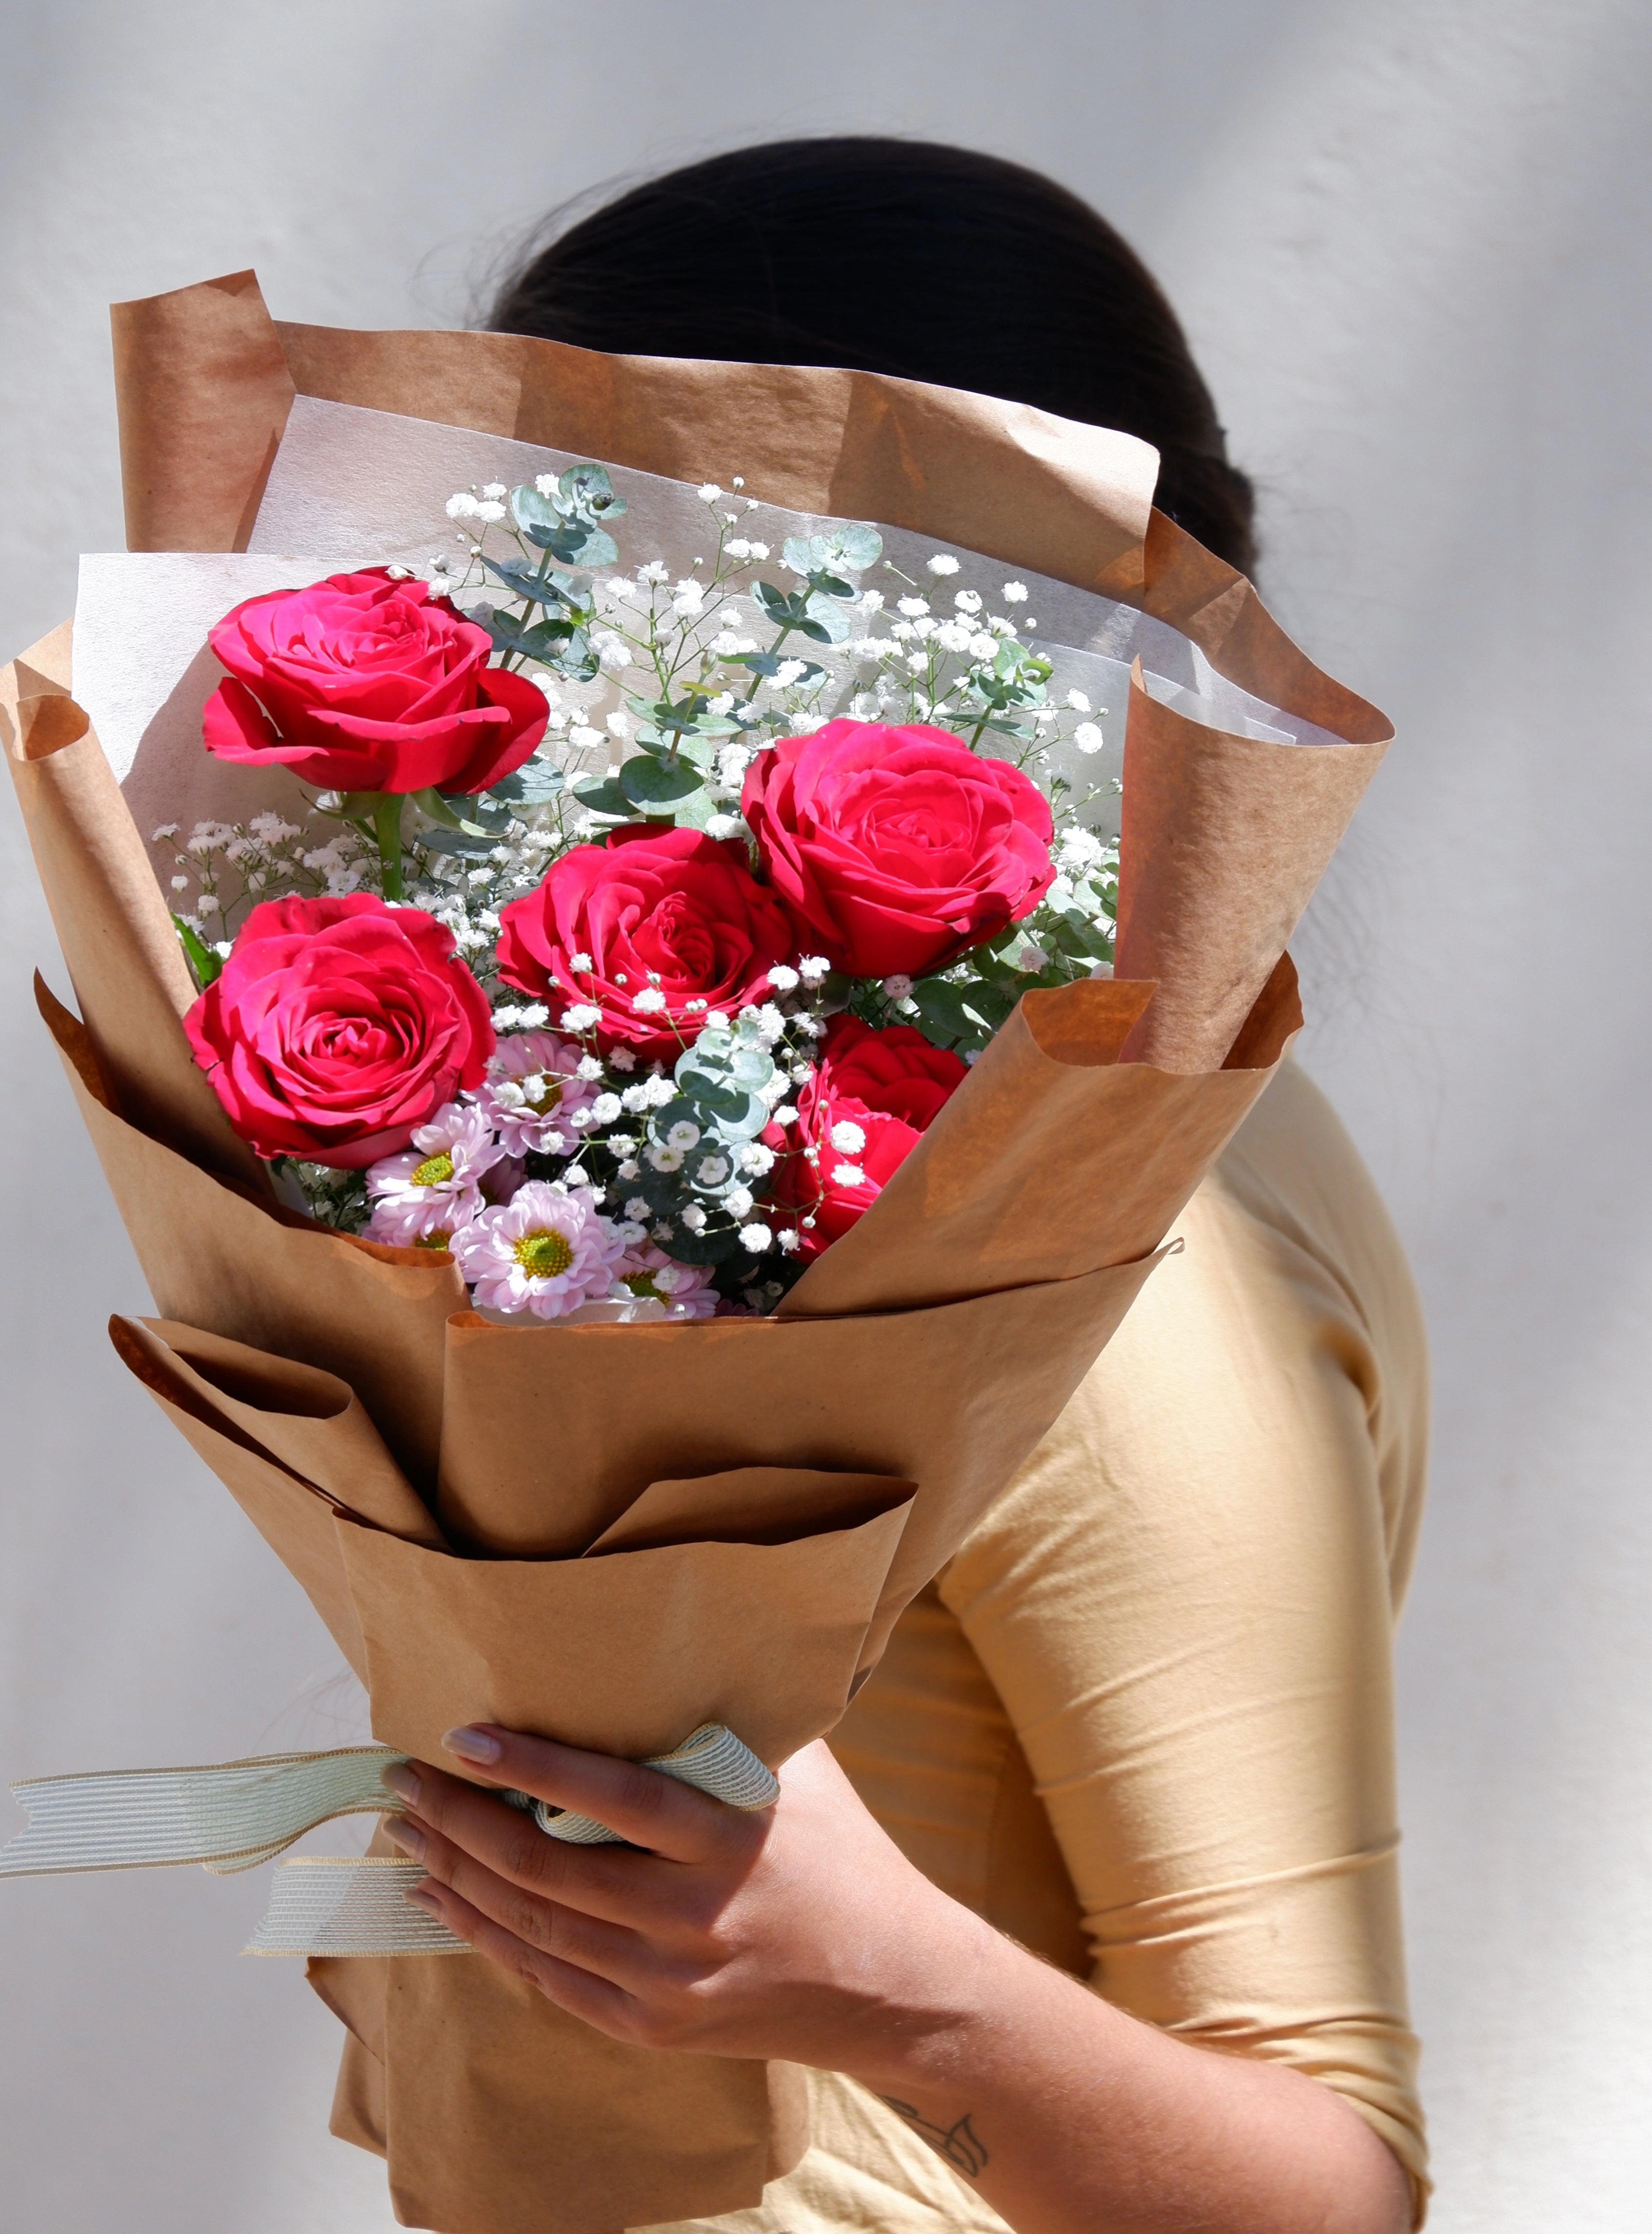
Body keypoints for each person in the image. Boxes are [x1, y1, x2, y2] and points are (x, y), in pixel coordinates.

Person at [375, 140, 1428, 2234]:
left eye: (603, 558)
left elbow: (1328, 2188)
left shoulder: (1134, 1235)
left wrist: (898, 1995)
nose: (516, 660)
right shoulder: (804, 1132)